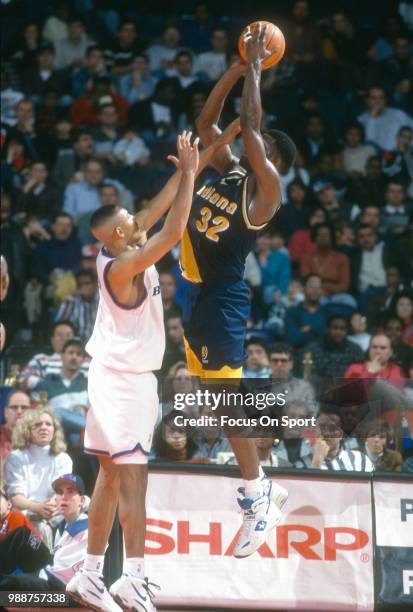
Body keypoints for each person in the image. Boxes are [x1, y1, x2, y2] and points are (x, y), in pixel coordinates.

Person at [66, 127, 237, 611]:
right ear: (119, 234)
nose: (135, 219)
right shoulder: (123, 267)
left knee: (108, 477)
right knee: (134, 478)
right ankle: (133, 578)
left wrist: (194, 164)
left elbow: (156, 210)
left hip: (110, 375)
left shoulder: (118, 244)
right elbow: (174, 230)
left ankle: (91, 574)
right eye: (128, 219)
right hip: (125, 383)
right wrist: (187, 176)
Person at [183, 26, 294, 558]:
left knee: (227, 401)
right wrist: (233, 68)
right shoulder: (228, 173)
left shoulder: (266, 192)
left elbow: (249, 122)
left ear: (274, 162)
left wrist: (255, 65)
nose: (253, 144)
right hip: (195, 296)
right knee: (214, 398)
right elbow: (207, 124)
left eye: (263, 147)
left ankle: (259, 491)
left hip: (223, 299)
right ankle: (259, 486)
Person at [4, 408, 73, 550]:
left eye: (48, 424)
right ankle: (42, 566)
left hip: (55, 511)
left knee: (84, 504)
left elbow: (61, 491)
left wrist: (49, 507)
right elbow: (16, 496)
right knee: (39, 525)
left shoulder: (63, 458)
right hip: (27, 513)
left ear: (54, 430)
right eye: (37, 425)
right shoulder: (16, 457)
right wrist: (36, 508)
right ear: (27, 430)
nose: (43, 428)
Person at [35, 338, 89, 445]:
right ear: (62, 355)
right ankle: (89, 427)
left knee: (77, 437)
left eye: (78, 354)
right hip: (55, 430)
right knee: (57, 413)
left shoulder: (89, 384)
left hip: (80, 434)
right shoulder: (47, 383)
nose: (74, 357)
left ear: (83, 360)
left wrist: (85, 408)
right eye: (70, 352)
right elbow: (38, 410)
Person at [19, 321, 88, 390]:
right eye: (59, 335)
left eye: (68, 335)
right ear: (52, 340)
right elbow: (23, 377)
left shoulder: (87, 362)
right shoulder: (41, 359)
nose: (64, 339)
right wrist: (51, 386)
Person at [295, 413, 374, 471]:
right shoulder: (301, 464)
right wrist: (317, 462)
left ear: (341, 434)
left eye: (332, 429)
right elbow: (304, 492)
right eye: (321, 428)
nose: (326, 433)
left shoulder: (360, 459)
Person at [269, 344, 317, 415]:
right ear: (269, 363)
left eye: (284, 361)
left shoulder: (305, 388)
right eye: (275, 361)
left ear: (291, 364)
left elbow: (312, 414)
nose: (279, 364)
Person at [285, 273, 327, 348]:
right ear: (304, 289)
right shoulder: (292, 312)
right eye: (311, 286)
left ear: (322, 291)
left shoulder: (327, 312)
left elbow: (328, 339)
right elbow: (292, 339)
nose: (315, 290)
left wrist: (308, 329)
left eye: (318, 287)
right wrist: (318, 330)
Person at [55, 270, 99, 341]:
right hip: (77, 344)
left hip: (100, 343)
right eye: (80, 285)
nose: (83, 287)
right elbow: (59, 325)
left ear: (95, 285)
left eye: (87, 283)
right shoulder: (71, 300)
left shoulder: (102, 300)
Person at [0, 390, 31, 465]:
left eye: (24, 407)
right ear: (6, 413)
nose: (19, 411)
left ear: (30, 412)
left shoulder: (39, 439)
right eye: (14, 407)